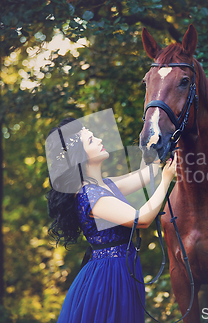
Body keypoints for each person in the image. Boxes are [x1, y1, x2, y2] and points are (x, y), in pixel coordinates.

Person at [45, 117, 178, 323]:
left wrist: (155, 147)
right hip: (108, 279)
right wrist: (167, 179)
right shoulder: (89, 195)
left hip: (119, 270)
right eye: (91, 140)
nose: (99, 140)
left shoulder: (103, 186)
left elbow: (147, 174)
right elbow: (141, 219)